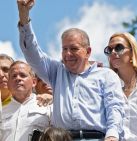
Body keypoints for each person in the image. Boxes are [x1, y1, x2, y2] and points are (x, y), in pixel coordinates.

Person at [17, 0, 125, 141]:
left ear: (88, 51)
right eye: (64, 49)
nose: (68, 54)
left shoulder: (106, 76)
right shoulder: (56, 72)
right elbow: (32, 52)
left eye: (74, 48)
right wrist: (24, 16)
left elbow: (115, 107)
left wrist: (112, 134)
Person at [104, 32, 137, 141]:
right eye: (109, 50)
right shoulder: (105, 85)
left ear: (132, 51)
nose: (113, 52)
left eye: (119, 47)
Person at [0, 61, 51, 141]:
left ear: (34, 82)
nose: (18, 78)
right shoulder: (2, 110)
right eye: (13, 76)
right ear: (9, 83)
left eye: (23, 75)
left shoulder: (48, 106)